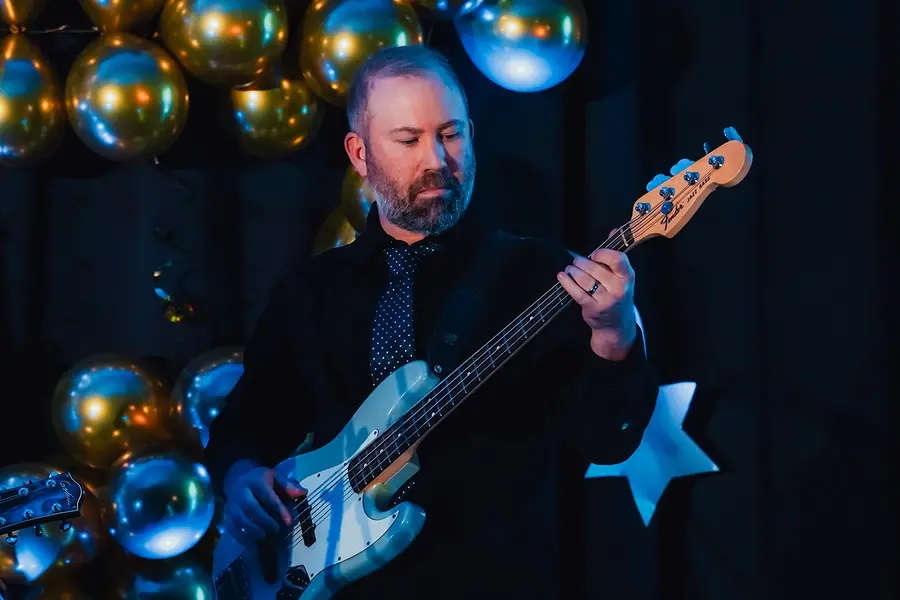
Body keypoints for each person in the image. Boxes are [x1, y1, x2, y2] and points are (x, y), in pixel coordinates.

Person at [204, 45, 660, 599]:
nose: (438, 160)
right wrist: (241, 476)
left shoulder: (540, 275)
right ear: (360, 153)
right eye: (408, 140)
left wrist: (613, 334)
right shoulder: (313, 290)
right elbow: (246, 422)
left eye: (451, 134)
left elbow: (607, 442)